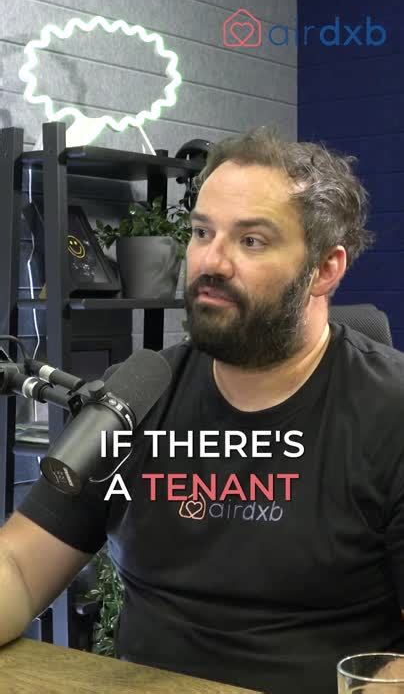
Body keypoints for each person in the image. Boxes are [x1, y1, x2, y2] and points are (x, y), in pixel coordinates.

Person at [1, 127, 404, 694]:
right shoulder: (135, 395)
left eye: (252, 241)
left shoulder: (390, 411)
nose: (211, 261)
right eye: (201, 232)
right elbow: (19, 567)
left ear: (325, 270)